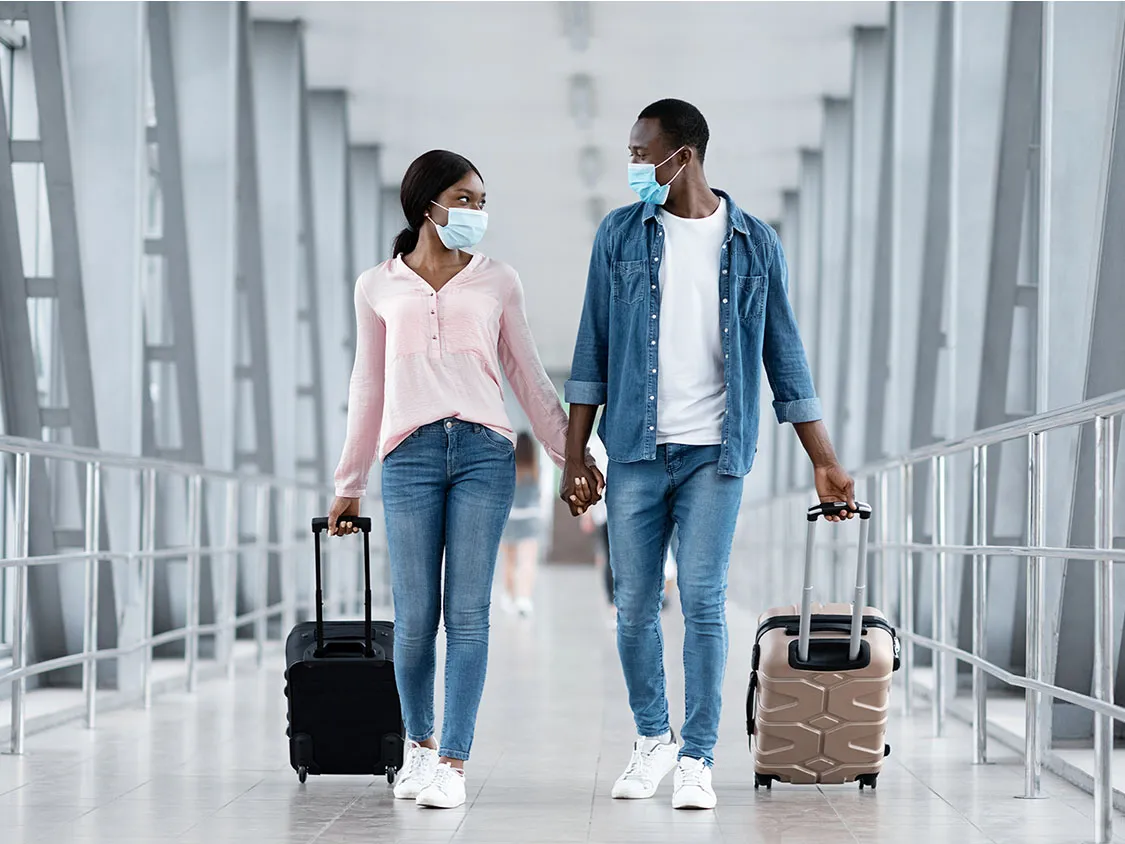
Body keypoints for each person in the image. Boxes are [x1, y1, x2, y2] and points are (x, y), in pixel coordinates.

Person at [561, 99, 857, 811]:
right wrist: (575, 457)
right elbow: (590, 352)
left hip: (715, 455)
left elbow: (784, 356)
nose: (634, 167)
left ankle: (695, 756)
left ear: (682, 156)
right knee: (632, 604)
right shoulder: (619, 235)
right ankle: (652, 736)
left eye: (642, 154)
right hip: (633, 449)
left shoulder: (755, 242)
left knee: (701, 602)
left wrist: (824, 458)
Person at [328, 150, 600, 809]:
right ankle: (418, 750)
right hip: (409, 457)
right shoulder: (377, 285)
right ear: (428, 204)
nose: (477, 211)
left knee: (469, 612)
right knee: (416, 615)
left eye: (481, 200)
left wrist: (573, 452)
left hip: (483, 452)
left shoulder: (498, 280)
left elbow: (528, 376)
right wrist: (349, 482)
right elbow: (368, 387)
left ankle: (453, 761)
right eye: (465, 198)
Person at [499, 432, 544, 617]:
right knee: (527, 561)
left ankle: (509, 596)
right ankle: (524, 599)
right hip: (530, 518)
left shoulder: (509, 467)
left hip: (510, 518)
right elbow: (542, 494)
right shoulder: (536, 468)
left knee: (509, 561)